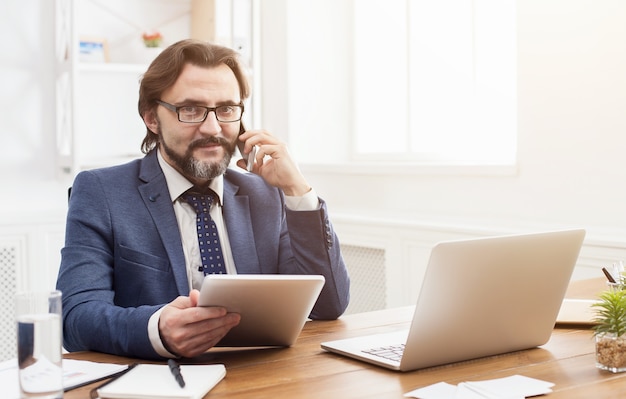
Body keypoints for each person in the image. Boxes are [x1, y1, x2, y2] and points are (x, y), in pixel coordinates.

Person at [56, 39, 350, 360]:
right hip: (160, 382)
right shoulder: (102, 192)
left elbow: (328, 304)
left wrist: (298, 191)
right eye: (190, 109)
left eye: (226, 109)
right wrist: (157, 330)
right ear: (152, 118)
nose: (212, 128)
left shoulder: (265, 193)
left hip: (260, 375)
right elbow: (76, 317)